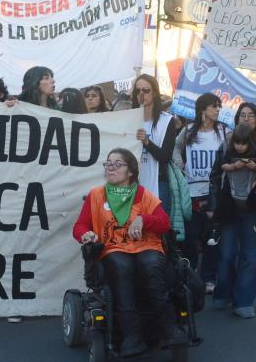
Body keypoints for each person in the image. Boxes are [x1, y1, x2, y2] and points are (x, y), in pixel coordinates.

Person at [72, 148, 188, 357]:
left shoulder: (144, 195)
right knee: (121, 266)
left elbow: (164, 223)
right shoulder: (96, 195)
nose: (111, 168)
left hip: (147, 246)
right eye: (109, 163)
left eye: (118, 164)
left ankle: (169, 328)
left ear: (130, 172)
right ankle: (131, 336)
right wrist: (86, 234)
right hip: (114, 248)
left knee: (150, 265)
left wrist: (145, 219)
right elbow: (79, 226)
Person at [209, 123, 256, 318]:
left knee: (251, 256)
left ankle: (244, 301)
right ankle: (222, 293)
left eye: (251, 115)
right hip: (229, 209)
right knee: (227, 254)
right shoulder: (226, 146)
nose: (239, 147)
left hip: (252, 211)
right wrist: (213, 206)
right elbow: (216, 174)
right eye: (243, 115)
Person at [173, 93, 228, 294]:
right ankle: (191, 274)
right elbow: (175, 148)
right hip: (192, 191)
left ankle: (208, 278)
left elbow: (232, 152)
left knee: (212, 237)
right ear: (203, 109)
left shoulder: (223, 131)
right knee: (190, 237)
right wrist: (180, 164)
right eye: (214, 106)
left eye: (218, 107)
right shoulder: (188, 130)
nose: (217, 110)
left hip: (214, 192)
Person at [132, 74, 175, 202]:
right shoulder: (129, 119)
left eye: (146, 90)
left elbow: (165, 157)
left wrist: (147, 142)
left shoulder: (166, 121)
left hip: (157, 183)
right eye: (137, 91)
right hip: (132, 184)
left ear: (155, 93)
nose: (141, 94)